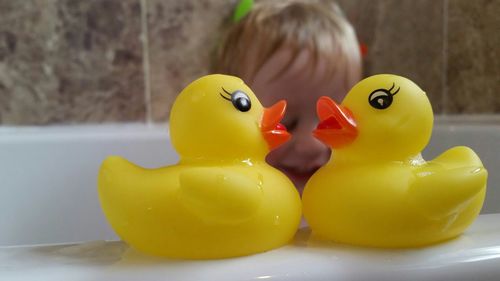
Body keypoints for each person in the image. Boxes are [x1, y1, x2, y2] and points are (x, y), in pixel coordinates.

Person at [213, 0, 362, 194]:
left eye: (333, 122)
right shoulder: (220, 196)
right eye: (285, 122)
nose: (312, 146)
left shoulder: (352, 194)